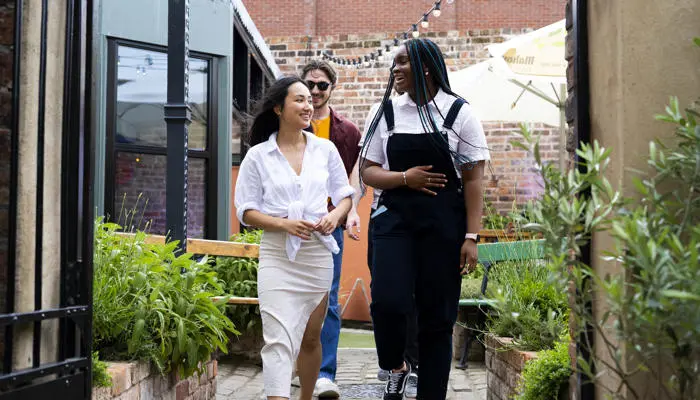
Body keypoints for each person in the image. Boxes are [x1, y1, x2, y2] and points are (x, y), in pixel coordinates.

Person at [360, 38, 490, 400]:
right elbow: (368, 172)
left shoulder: (458, 113)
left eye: (402, 63)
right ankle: (396, 366)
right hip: (393, 222)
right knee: (388, 302)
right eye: (394, 64)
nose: (395, 70)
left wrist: (471, 236)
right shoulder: (384, 112)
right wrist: (405, 178)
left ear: (426, 67)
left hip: (443, 227)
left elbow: (474, 178)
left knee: (437, 318)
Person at [234, 76, 354, 400]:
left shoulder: (324, 149)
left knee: (311, 340)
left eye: (309, 99)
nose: (308, 104)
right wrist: (284, 224)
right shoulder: (258, 156)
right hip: (277, 256)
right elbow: (245, 212)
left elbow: (345, 195)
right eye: (299, 99)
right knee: (277, 339)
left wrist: (333, 216)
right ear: (278, 108)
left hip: (316, 255)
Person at [300, 60, 362, 398]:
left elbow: (349, 181)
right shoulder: (292, 125)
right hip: (294, 223)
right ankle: (300, 364)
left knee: (329, 300)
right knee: (298, 299)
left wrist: (348, 214)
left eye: (322, 85)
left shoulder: (347, 132)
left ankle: (325, 373)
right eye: (310, 84)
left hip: (330, 224)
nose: (315, 91)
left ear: (331, 89)